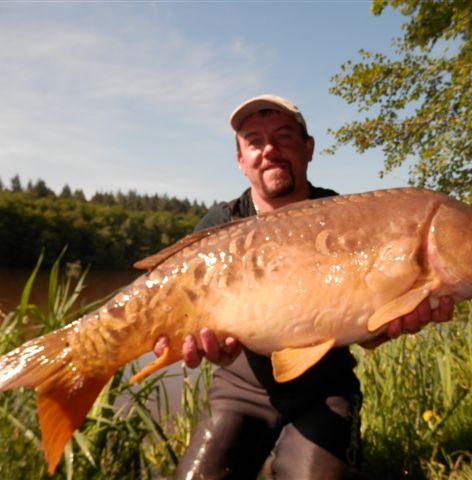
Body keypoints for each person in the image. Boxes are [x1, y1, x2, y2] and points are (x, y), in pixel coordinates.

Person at [154, 94, 454, 479]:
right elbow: (189, 323)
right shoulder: (219, 225)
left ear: (308, 148)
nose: (270, 151)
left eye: (284, 137)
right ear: (241, 160)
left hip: (325, 388)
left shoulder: (349, 217)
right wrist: (196, 346)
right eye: (254, 141)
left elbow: (368, 330)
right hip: (242, 385)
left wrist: (397, 322)